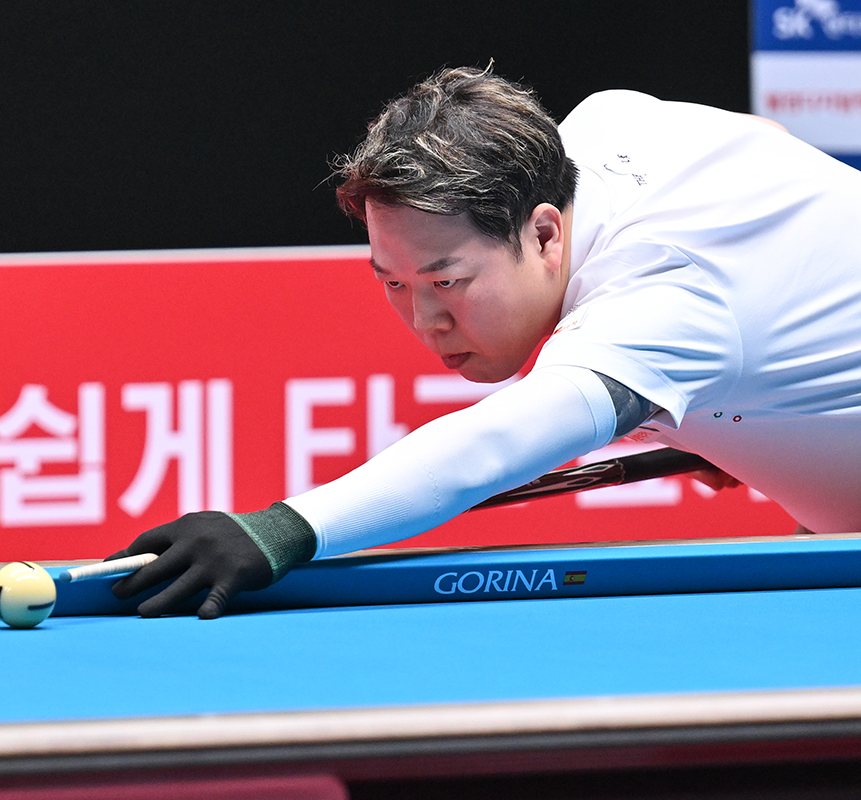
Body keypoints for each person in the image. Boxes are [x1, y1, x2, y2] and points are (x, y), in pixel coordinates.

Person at [107, 65, 861, 619]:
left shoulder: (665, 296)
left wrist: (278, 532)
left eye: (447, 281)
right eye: (392, 282)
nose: (425, 320)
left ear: (545, 233)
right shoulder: (606, 126)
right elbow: (765, 143)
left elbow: (493, 446)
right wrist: (762, 390)